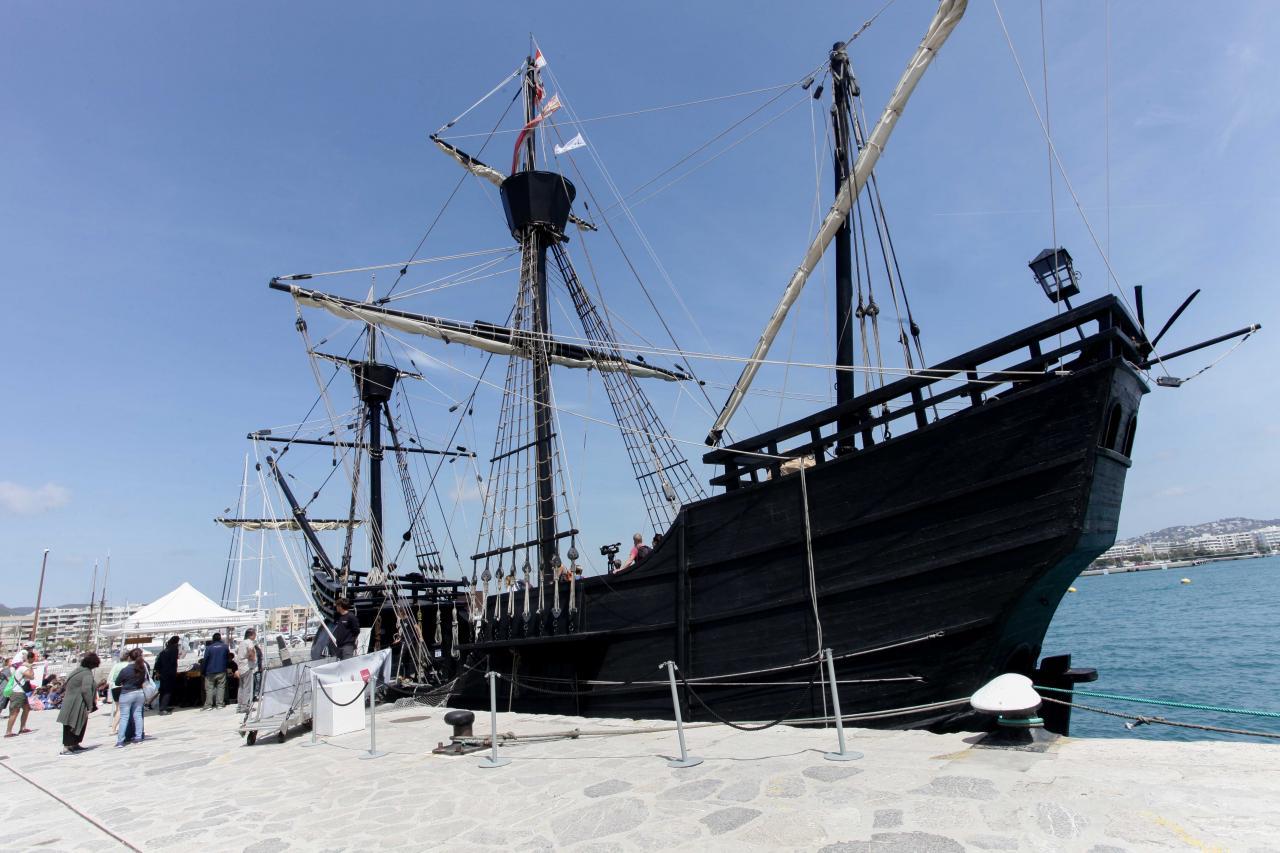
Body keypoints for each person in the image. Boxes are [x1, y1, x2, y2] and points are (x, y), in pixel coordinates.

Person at [57, 653, 99, 755]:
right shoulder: (86, 674)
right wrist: (90, 704)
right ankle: (67, 747)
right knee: (72, 724)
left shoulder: (77, 671)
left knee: (78, 723)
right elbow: (86, 690)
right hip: (77, 703)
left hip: (71, 701)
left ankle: (74, 744)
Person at [114, 648, 149, 747]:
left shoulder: (125, 670)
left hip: (127, 693)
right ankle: (138, 737)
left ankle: (120, 740)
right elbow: (145, 680)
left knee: (124, 717)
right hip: (139, 693)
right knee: (138, 715)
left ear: (129, 657)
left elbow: (117, 682)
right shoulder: (142, 668)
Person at [3, 651, 35, 737]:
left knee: (26, 708)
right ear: (30, 658)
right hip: (18, 693)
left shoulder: (21, 667)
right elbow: (31, 676)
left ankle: (22, 728)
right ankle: (8, 732)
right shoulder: (23, 667)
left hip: (21, 692)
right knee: (15, 712)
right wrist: (31, 668)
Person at [201, 633, 229, 709]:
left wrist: (203, 671)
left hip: (210, 671)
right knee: (221, 687)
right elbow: (227, 658)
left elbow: (205, 660)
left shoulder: (209, 648)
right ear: (220, 638)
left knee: (209, 688)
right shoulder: (225, 647)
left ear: (213, 639)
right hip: (221, 670)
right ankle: (220, 704)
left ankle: (208, 705)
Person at [235, 628, 259, 713]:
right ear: (251, 635)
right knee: (247, 687)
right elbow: (250, 650)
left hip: (241, 667)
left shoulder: (242, 642)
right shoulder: (249, 642)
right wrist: (252, 658)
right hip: (247, 666)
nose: (255, 636)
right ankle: (245, 706)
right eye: (255, 634)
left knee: (241, 687)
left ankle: (240, 706)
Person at [154, 636, 180, 715]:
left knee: (163, 690)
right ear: (176, 642)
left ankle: (162, 706)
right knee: (167, 691)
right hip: (169, 673)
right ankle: (163, 708)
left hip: (162, 673)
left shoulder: (164, 650)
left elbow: (158, 662)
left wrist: (158, 671)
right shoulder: (174, 649)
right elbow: (173, 662)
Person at [108, 651, 130, 734]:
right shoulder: (128, 665)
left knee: (118, 709)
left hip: (114, 688)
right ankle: (116, 728)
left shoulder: (116, 665)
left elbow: (110, 679)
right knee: (124, 709)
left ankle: (114, 728)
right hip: (123, 687)